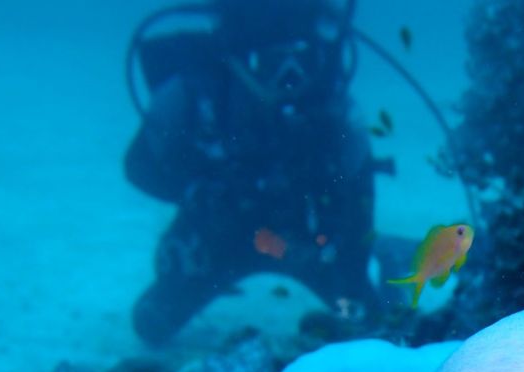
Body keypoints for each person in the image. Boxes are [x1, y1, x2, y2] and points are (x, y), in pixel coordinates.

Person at [124, 0, 386, 344]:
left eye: (301, 60)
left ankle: (387, 261)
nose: (289, 77)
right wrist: (196, 190)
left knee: (372, 325)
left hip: (303, 246)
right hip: (218, 240)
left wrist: (352, 264)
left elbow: (359, 190)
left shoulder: (333, 107)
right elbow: (139, 167)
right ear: (239, 59)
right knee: (151, 322)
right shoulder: (195, 92)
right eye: (271, 62)